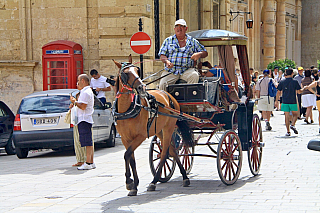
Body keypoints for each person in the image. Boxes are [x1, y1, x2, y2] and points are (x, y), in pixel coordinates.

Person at [158, 19, 208, 90]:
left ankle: (190, 98)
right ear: (174, 29)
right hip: (171, 71)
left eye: (181, 26)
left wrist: (199, 54)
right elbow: (162, 55)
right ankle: (164, 101)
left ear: (186, 28)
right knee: (163, 83)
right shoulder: (168, 40)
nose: (179, 28)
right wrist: (167, 62)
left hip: (187, 70)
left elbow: (205, 53)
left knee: (194, 76)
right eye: (177, 26)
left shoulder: (192, 41)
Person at [70, 74, 96, 170]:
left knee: (87, 142)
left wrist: (74, 102)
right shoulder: (86, 91)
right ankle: (91, 162)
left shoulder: (85, 92)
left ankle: (88, 163)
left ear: (83, 81)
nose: (77, 83)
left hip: (84, 119)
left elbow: (83, 106)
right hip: (85, 119)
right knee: (88, 141)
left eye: (78, 80)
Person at [276, 68, 304, 136]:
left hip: (285, 100)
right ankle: (293, 124)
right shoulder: (295, 81)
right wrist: (304, 89)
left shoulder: (282, 82)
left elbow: (278, 92)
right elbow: (299, 91)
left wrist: (276, 101)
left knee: (286, 116)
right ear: (292, 73)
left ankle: (288, 131)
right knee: (295, 114)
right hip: (293, 100)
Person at [70, 92, 86, 167]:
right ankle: (79, 160)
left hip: (83, 123)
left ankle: (86, 160)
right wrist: (71, 108)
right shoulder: (75, 105)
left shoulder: (83, 104)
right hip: (76, 124)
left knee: (83, 142)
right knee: (77, 142)